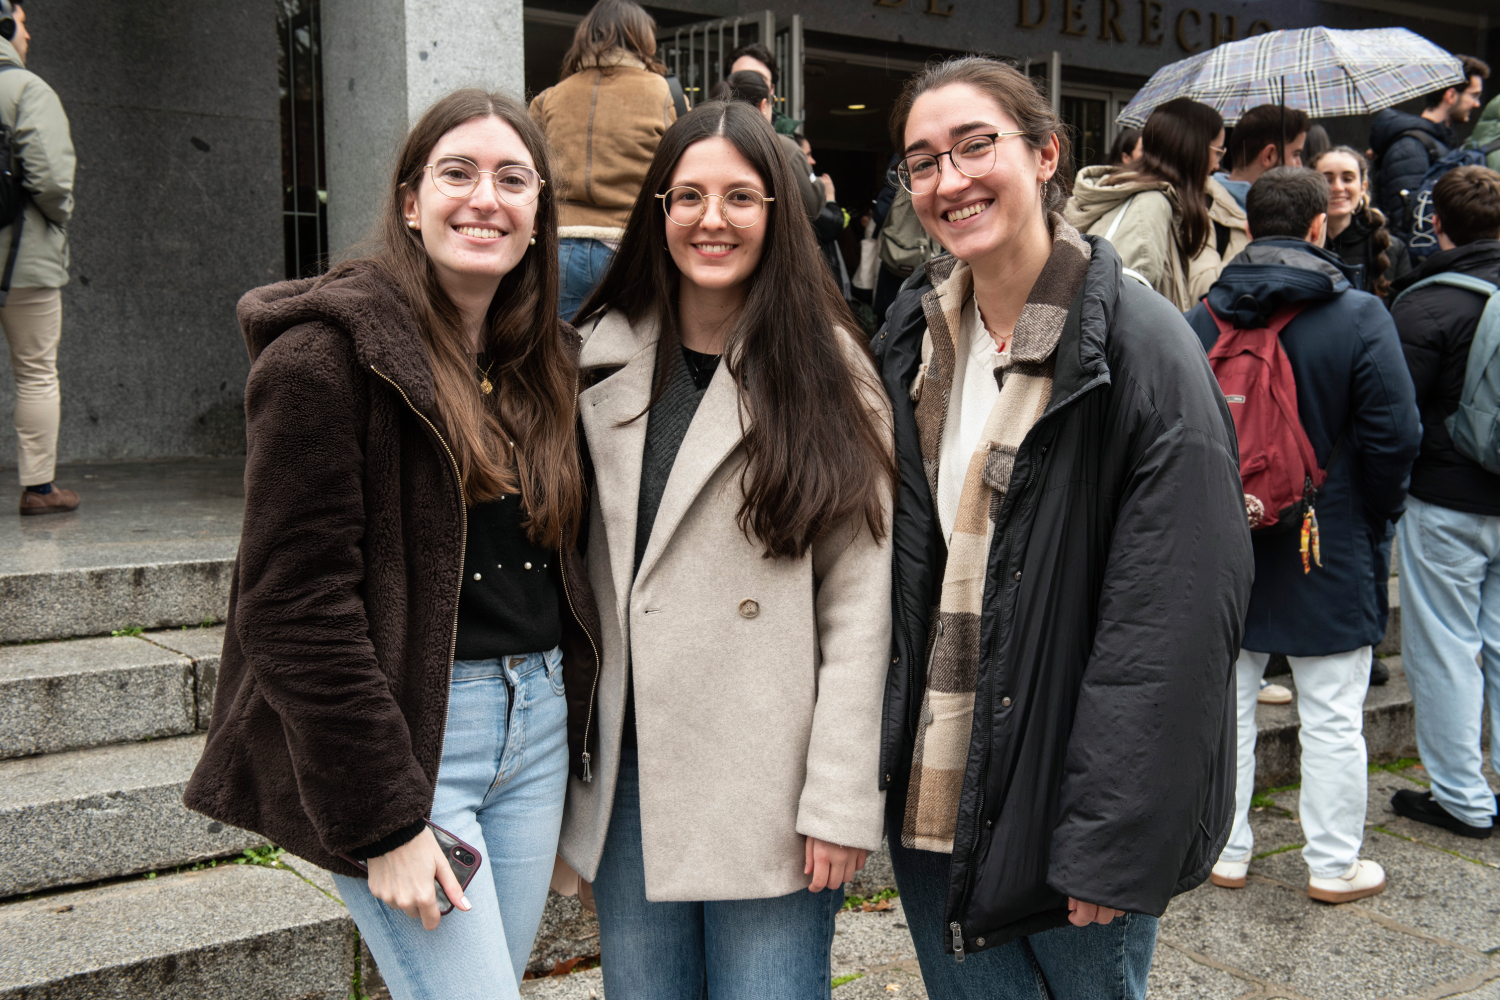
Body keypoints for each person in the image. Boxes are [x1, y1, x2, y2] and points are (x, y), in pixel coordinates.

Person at [184, 89, 599, 1000]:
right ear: (411, 202)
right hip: (411, 736)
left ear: (539, 217)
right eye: (456, 173)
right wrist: (383, 821)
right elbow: (291, 608)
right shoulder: (321, 361)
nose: (484, 197)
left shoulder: (547, 365)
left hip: (534, 732)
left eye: (511, 178)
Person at [875, 57, 1252, 999]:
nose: (949, 180)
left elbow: (1171, 620)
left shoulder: (1140, 345)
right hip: (934, 790)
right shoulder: (914, 341)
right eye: (922, 161)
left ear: (1045, 154)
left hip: (1063, 809)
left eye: (975, 146)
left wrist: (1111, 840)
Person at [560, 100, 894, 998]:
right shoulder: (592, 358)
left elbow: (858, 607)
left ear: (779, 213)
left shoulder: (828, 369)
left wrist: (838, 797)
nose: (713, 219)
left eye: (740, 197)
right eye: (689, 196)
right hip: (633, 767)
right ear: (657, 210)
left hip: (771, 775)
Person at [1186, 167, 1422, 903]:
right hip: (1329, 529)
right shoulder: (1356, 316)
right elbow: (1395, 435)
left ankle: (1224, 849)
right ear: (1321, 226)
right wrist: (1375, 516)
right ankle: (1330, 863)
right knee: (1330, 713)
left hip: (1228, 532)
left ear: (1249, 226)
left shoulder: (1202, 316)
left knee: (1227, 702)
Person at [1388, 164, 1500, 840]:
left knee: (1446, 648)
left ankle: (1461, 795)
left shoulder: (1426, 303)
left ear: (1439, 225)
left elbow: (1396, 415)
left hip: (1446, 500)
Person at [529, 0, 676, 320]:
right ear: (643, 38)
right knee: (627, 357)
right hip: (628, 245)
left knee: (559, 355)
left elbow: (530, 168)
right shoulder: (663, 93)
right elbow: (682, 165)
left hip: (560, 244)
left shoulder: (550, 96)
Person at [1, 1, 78, 515]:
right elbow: (50, 179)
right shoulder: (28, 89)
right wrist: (59, 214)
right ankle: (39, 489)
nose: (28, 36)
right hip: (21, 258)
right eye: (24, 25)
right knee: (34, 371)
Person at [1065, 97, 1240, 311]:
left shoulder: (1153, 198)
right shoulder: (1152, 205)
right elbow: (1121, 311)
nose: (1217, 165)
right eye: (1218, 152)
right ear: (1194, 149)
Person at [1370, 55, 1489, 240]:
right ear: (1450, 95)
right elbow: (1410, 224)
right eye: (1473, 95)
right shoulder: (1411, 146)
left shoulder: (1435, 141)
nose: (1477, 104)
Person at [716, 69, 823, 221]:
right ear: (764, 106)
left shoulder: (703, 144)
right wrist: (821, 186)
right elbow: (811, 207)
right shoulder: (784, 149)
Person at [1314, 145, 1411, 300]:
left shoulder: (1392, 249)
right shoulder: (1300, 248)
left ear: (1363, 187)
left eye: (1347, 179)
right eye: (1327, 180)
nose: (1338, 188)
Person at [1213, 104, 1310, 210]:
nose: (1299, 166)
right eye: (1295, 154)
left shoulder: (1204, 201)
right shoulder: (1202, 213)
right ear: (1269, 155)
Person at [725, 41, 800, 135]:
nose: (750, 82)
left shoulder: (787, 140)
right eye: (741, 77)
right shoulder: (708, 126)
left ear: (772, 89)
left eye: (759, 78)